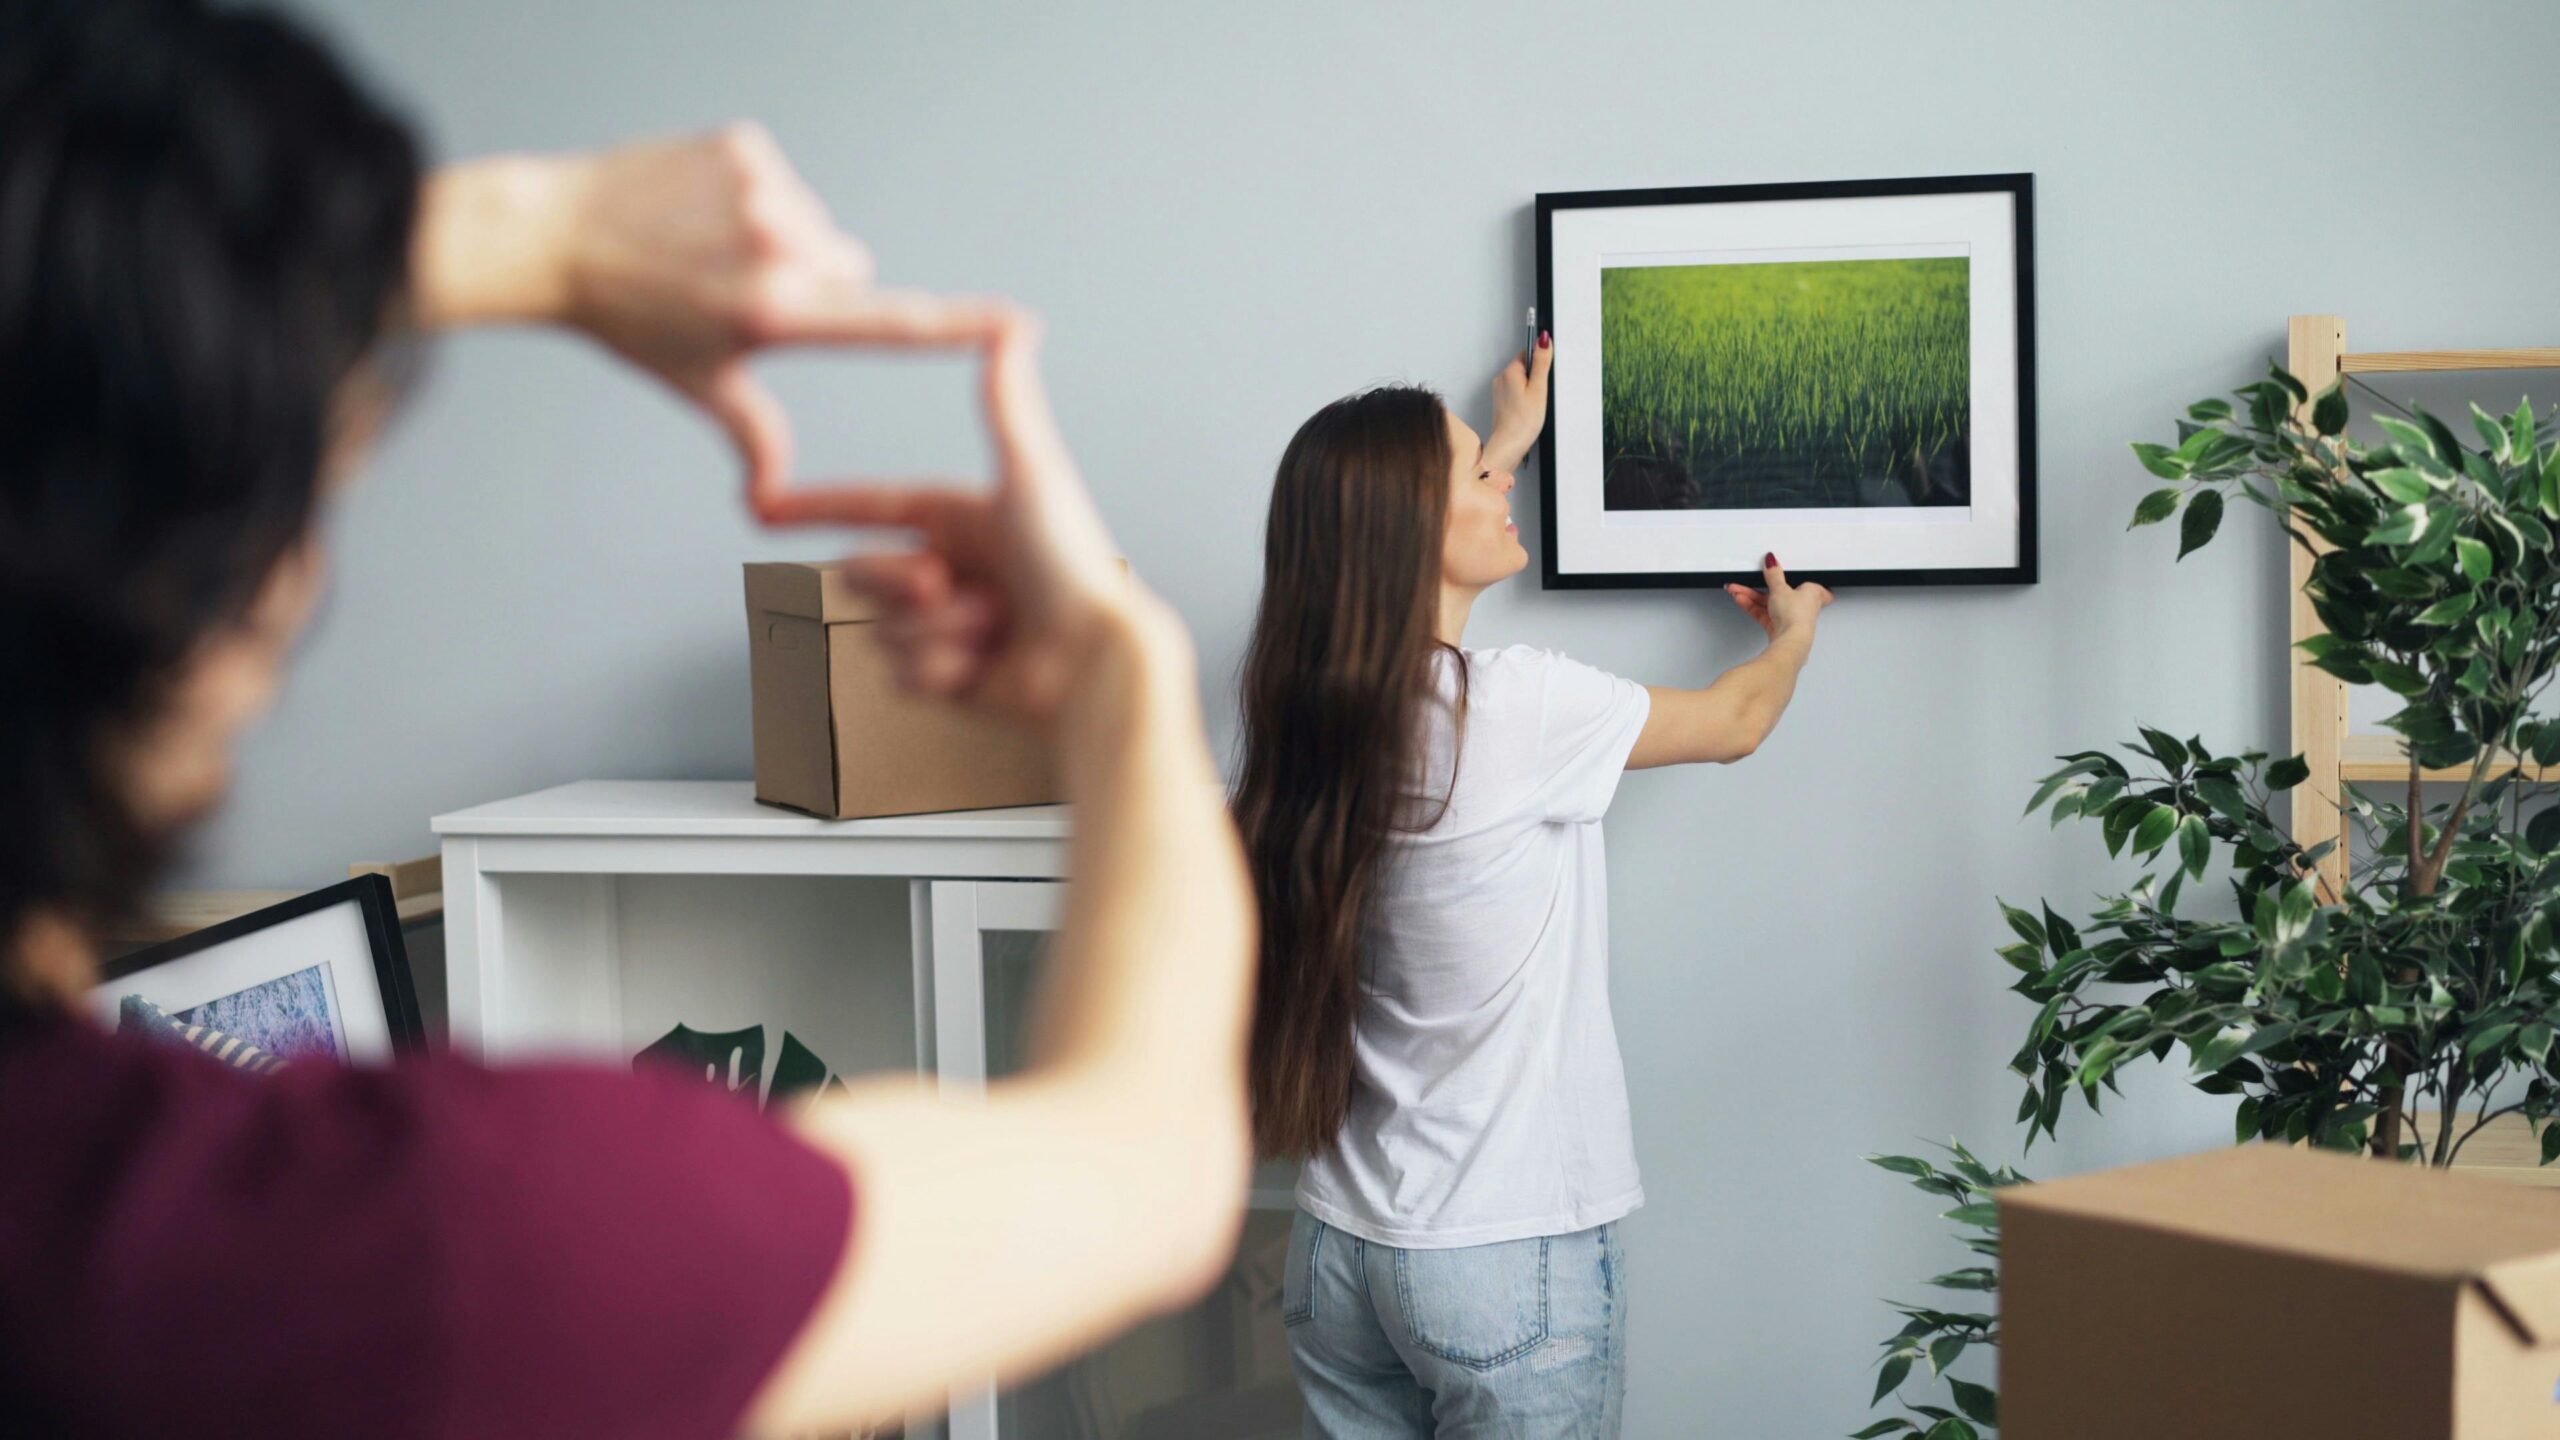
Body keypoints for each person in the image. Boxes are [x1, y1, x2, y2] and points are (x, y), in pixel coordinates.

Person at [0, 1, 1253, 1435]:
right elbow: (1151, 1162)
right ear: (190, 610)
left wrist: (535, 241)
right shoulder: (387, 1259)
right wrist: (1121, 674)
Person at [1233, 340, 1834, 1436]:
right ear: (1415, 530)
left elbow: (1419, 624)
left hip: (1337, 1255)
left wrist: (1498, 442)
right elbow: (1737, 721)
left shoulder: (1306, 719)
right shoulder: (1513, 711)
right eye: (1479, 478)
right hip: (1500, 1257)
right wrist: (1794, 635)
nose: (1501, 484)